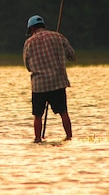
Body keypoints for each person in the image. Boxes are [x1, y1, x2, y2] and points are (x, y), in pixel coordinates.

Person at [23, 14, 76, 143]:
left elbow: (28, 66)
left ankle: (37, 139)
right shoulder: (58, 37)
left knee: (38, 115)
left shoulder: (29, 43)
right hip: (58, 82)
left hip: (39, 85)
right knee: (63, 112)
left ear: (31, 29)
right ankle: (69, 137)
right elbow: (72, 56)